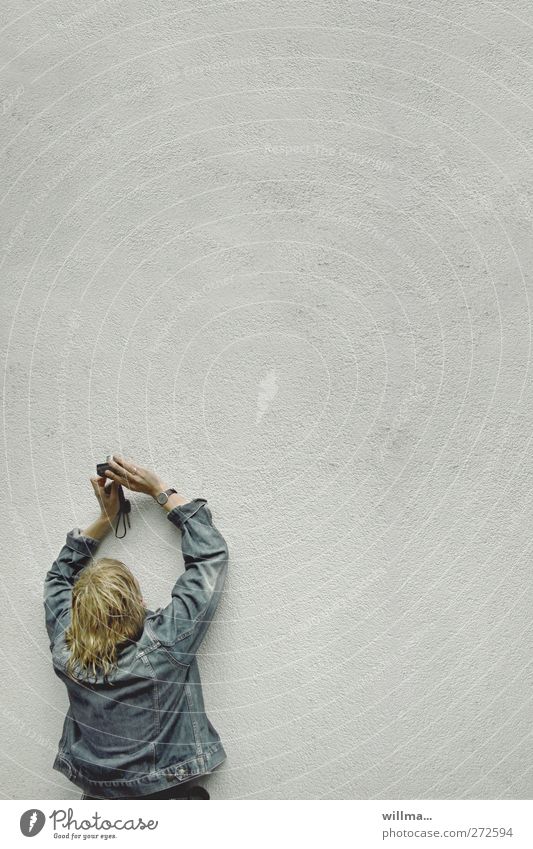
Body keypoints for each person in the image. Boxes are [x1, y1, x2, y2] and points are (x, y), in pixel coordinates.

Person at [43, 454, 229, 800]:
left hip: (97, 802)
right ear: (137, 603)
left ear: (79, 609)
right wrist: (159, 490)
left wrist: (105, 519)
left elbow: (57, 580)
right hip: (167, 796)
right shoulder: (166, 642)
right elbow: (209, 558)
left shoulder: (65, 646)